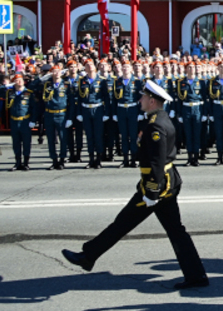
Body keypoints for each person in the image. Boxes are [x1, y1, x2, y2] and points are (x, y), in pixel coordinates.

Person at [61, 81, 208, 290]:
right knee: (175, 231)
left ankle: (88, 256)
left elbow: (157, 161)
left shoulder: (156, 125)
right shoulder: (160, 118)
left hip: (157, 187)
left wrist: (152, 192)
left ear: (151, 100)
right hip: (164, 184)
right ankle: (196, 275)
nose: (139, 100)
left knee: (123, 223)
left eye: (142, 97)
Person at [37, 66, 73, 170]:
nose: (56, 73)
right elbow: (32, 86)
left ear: (61, 73)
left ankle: (62, 160)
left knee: (63, 138)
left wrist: (70, 117)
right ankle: (54, 160)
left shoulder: (66, 84)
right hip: (49, 114)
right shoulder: (46, 84)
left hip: (62, 114)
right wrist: (43, 78)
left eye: (58, 71)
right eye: (54, 71)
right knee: (51, 139)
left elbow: (71, 102)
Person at [111, 60, 145, 168]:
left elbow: (141, 98)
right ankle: (125, 159)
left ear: (131, 69)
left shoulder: (137, 82)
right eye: (123, 67)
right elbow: (114, 99)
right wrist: (114, 113)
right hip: (121, 110)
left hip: (133, 109)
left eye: (127, 67)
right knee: (124, 135)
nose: (125, 69)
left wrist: (140, 112)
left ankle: (133, 159)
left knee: (133, 135)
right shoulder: (117, 82)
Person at [78, 60, 110, 169]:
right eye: (87, 65)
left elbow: (106, 97)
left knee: (98, 135)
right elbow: (79, 98)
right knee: (89, 136)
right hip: (86, 110)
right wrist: (79, 113)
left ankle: (98, 159)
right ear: (85, 68)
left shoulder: (101, 81)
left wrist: (106, 112)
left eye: (91, 65)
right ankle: (91, 159)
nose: (89, 66)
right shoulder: (82, 81)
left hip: (98, 109)